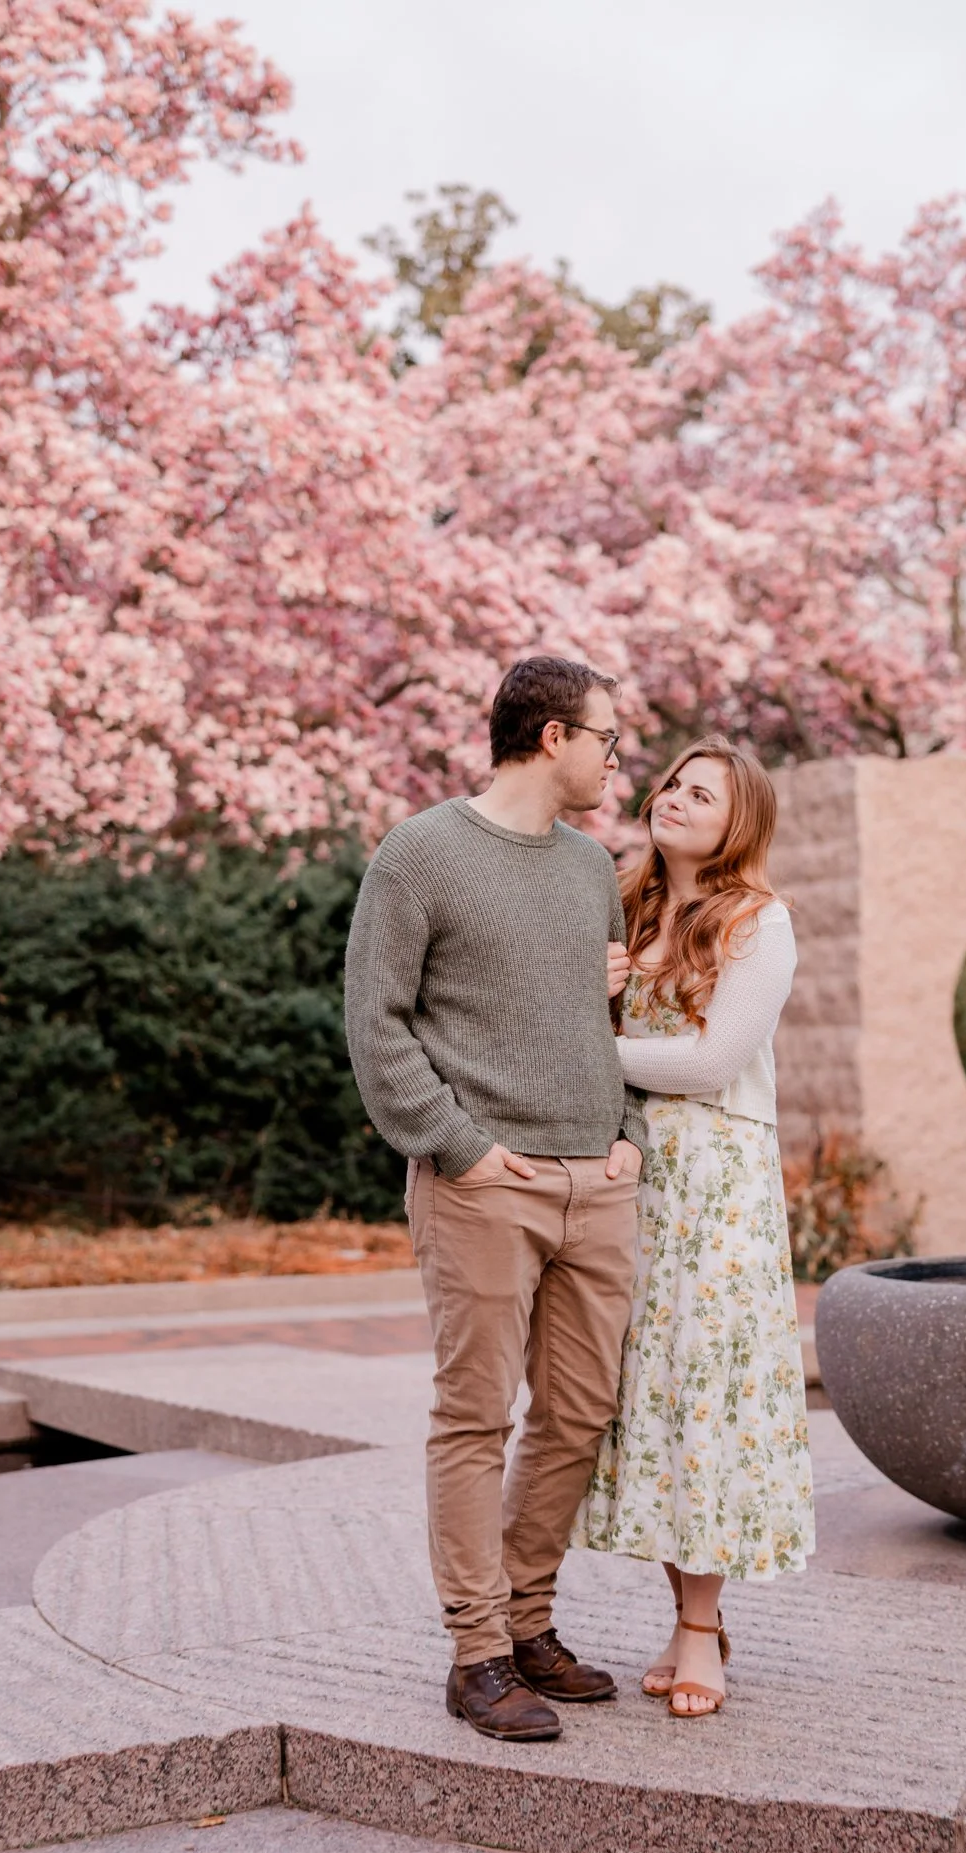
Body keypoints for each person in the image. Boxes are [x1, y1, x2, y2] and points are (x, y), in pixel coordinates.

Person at [344, 654, 646, 1743]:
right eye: (608, 736)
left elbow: (602, 1021)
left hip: (595, 1183)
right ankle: (475, 1653)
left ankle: (528, 1624)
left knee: (577, 1414)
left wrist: (626, 1139)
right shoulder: (420, 853)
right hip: (483, 1184)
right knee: (474, 1416)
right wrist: (458, 1149)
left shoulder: (593, 865)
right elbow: (375, 1023)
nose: (619, 756)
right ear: (554, 736)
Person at [572, 736, 815, 1718]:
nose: (673, 797)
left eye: (701, 791)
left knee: (705, 1392)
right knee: (651, 1397)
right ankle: (686, 1616)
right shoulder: (624, 900)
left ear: (737, 820)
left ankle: (702, 1628)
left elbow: (713, 1064)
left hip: (717, 1184)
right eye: (673, 780)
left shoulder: (760, 921)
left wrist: (593, 1039)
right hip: (633, 1174)